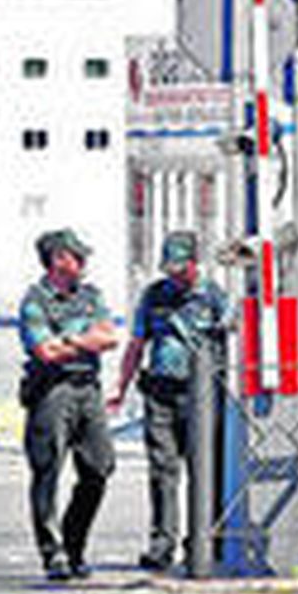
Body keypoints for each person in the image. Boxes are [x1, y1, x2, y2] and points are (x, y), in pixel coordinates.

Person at [108, 230, 231, 573]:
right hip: (160, 392)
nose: (175, 276)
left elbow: (231, 342)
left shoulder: (214, 297)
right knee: (162, 472)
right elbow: (136, 344)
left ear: (194, 263)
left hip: (201, 396)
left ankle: (204, 542)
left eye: (181, 269)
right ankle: (162, 544)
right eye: (170, 269)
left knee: (204, 470)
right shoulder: (154, 295)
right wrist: (120, 387)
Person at [18, 228, 119, 581]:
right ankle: (53, 553)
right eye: (77, 256)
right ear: (58, 260)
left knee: (100, 467)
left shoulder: (91, 296)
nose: (83, 262)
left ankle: (74, 545)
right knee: (47, 470)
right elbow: (45, 351)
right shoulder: (35, 300)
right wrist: (85, 340)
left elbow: (109, 337)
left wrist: (70, 340)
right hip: (52, 391)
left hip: (88, 389)